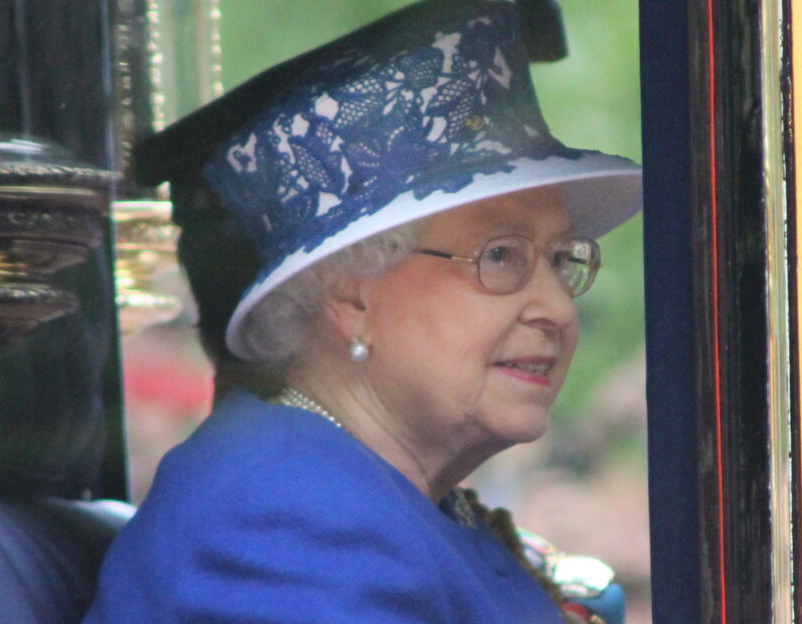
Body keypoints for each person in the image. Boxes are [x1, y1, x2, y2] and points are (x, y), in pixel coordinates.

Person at [85, 0, 640, 622]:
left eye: (562, 259)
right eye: (503, 256)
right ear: (352, 292)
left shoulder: (379, 494)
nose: (558, 308)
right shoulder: (285, 524)